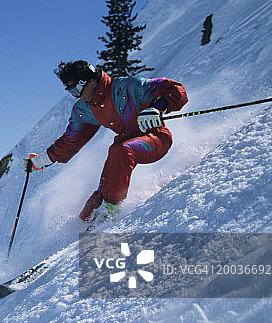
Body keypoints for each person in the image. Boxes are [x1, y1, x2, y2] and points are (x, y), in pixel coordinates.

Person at [26, 60, 188, 226]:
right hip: (122, 146)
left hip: (156, 138)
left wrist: (156, 107)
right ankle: (80, 230)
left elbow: (174, 89)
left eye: (76, 89)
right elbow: (70, 141)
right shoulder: (84, 109)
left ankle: (111, 211)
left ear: (90, 81)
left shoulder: (128, 86)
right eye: (70, 91)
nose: (76, 96)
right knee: (98, 197)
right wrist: (40, 161)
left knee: (122, 151)